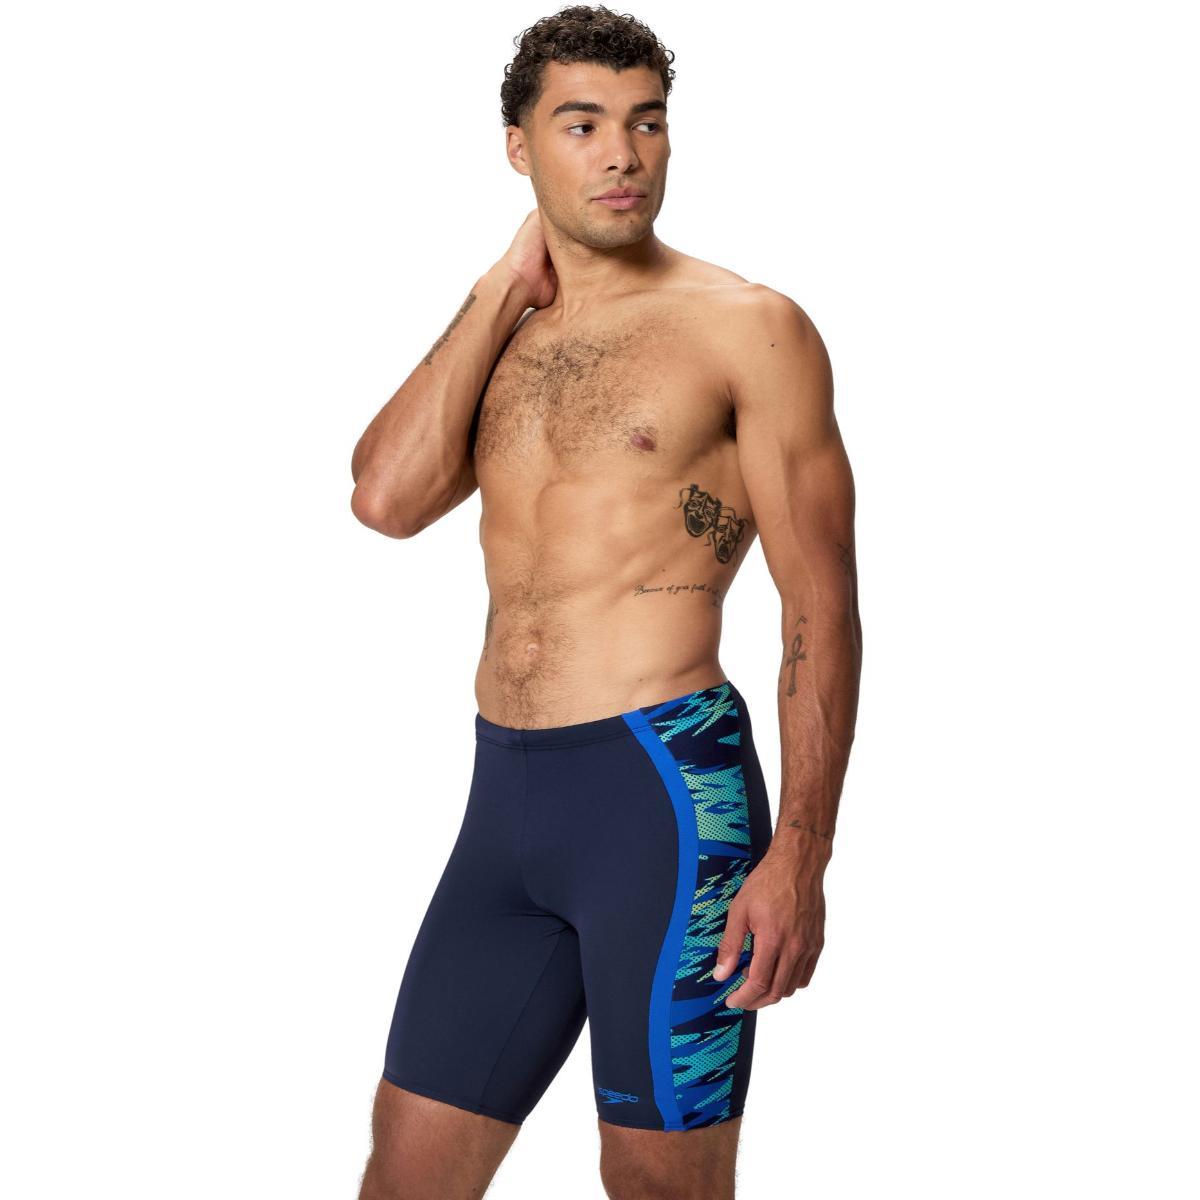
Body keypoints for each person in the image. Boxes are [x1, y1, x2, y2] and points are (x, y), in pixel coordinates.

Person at [349, 6, 862, 1197]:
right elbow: (384, 498)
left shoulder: (748, 328)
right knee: (406, 1175)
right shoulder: (511, 333)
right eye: (582, 126)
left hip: (665, 794)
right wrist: (498, 288)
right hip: (504, 799)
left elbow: (821, 609)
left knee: (659, 1183)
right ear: (520, 147)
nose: (624, 155)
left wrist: (801, 852)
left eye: (647, 123)